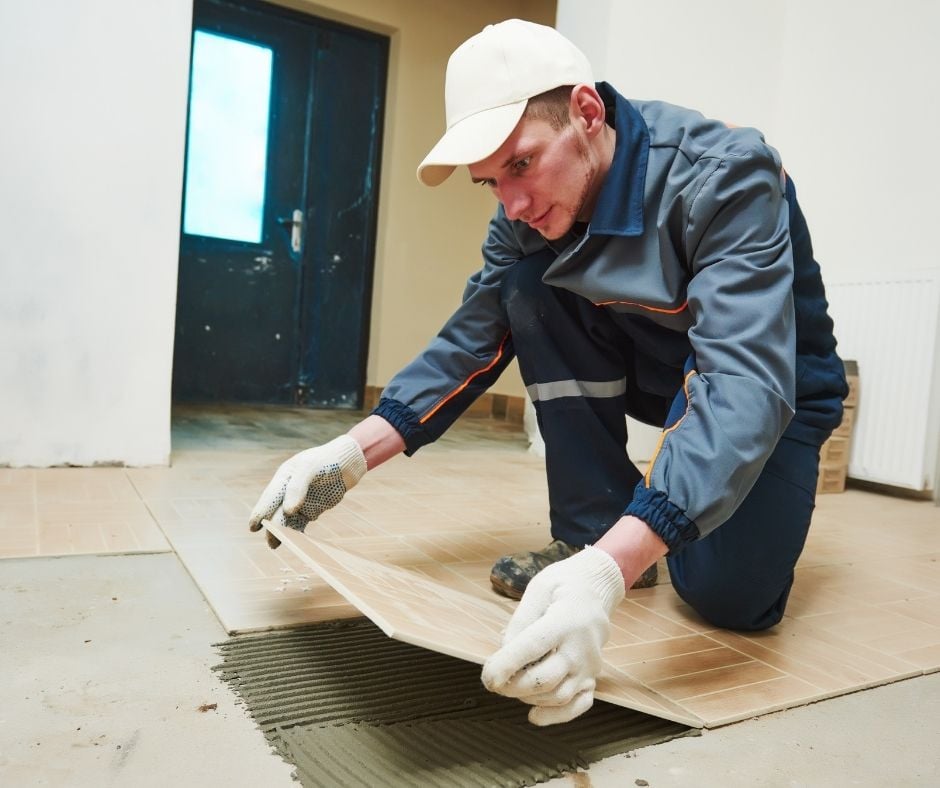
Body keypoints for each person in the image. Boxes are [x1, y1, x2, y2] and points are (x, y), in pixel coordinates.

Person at [248, 19, 847, 726]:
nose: (514, 204)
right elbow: (471, 338)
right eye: (490, 182)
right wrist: (349, 455)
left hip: (770, 395)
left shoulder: (725, 175)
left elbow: (744, 379)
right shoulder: (523, 219)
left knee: (729, 602)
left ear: (588, 114)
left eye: (523, 165)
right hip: (665, 373)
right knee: (525, 290)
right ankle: (593, 528)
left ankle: (632, 534)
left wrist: (610, 573)